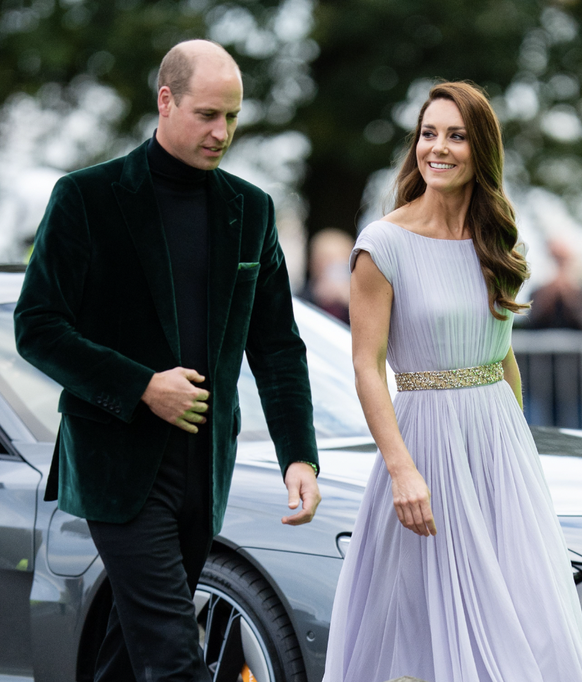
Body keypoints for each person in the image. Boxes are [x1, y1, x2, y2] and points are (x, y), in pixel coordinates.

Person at [14, 39, 321, 682]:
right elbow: (37, 327)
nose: (222, 132)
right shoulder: (86, 198)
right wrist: (141, 387)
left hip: (205, 469)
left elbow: (277, 346)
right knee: (175, 657)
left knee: (131, 655)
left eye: (233, 118)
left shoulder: (253, 210)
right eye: (208, 114)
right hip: (118, 471)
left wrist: (299, 453)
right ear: (166, 99)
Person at [322, 82, 582, 682]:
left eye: (456, 135)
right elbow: (367, 365)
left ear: (480, 148)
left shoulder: (499, 238)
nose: (437, 148)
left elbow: (504, 354)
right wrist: (401, 470)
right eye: (428, 133)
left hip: (500, 448)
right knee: (423, 631)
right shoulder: (381, 245)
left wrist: (519, 448)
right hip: (426, 448)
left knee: (525, 618)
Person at [526, 237, 582, 329]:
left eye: (562, 260)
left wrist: (567, 293)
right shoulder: (536, 294)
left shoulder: (578, 294)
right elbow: (533, 322)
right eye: (556, 260)